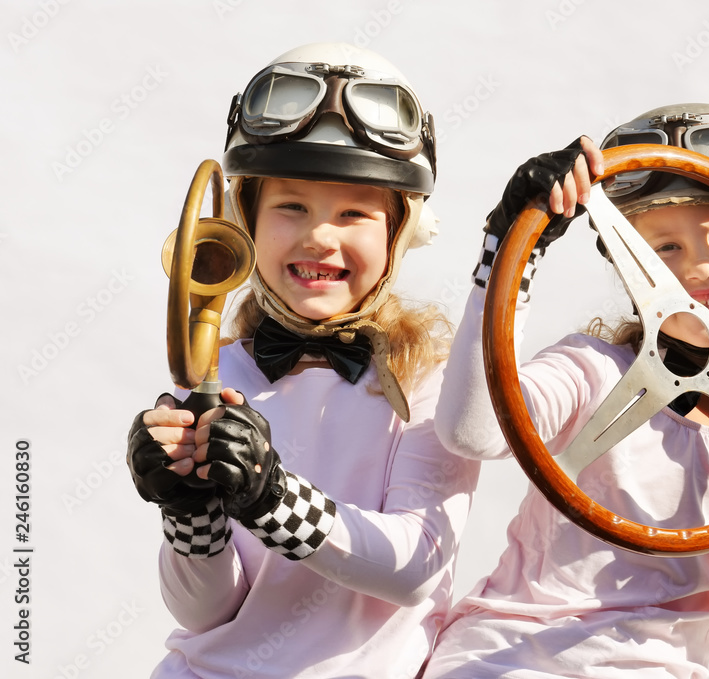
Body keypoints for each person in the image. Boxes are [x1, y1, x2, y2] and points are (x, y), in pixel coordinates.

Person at [423, 104, 709, 678]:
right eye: (665, 249)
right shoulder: (592, 372)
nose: (700, 268)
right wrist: (508, 252)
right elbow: (471, 432)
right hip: (507, 661)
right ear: (628, 268)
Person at [125, 43, 479, 679]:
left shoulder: (431, 379)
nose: (319, 236)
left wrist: (270, 495)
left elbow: (416, 568)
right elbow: (203, 613)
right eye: (291, 206)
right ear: (245, 222)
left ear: (399, 233)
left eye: (353, 214)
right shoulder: (215, 377)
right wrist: (185, 511)